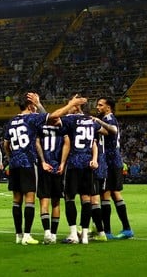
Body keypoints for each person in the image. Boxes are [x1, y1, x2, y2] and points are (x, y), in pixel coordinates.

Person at [4, 92, 87, 245]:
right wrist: (70, 105)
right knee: (30, 198)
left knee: (16, 200)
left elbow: (6, 145)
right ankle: (27, 236)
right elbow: (55, 116)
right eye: (34, 106)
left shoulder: (11, 121)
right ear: (30, 106)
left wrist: (11, 158)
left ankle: (18, 235)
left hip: (15, 163)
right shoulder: (31, 118)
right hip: (29, 163)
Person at [59, 100, 100, 244]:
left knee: (69, 198)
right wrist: (95, 159)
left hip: (74, 163)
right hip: (88, 164)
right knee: (86, 199)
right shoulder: (92, 121)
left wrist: (69, 105)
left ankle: (73, 234)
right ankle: (84, 235)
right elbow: (94, 142)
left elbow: (54, 117)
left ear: (76, 107)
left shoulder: (71, 120)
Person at [96, 97, 134, 239]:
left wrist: (98, 122)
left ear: (108, 107)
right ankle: (127, 228)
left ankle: (107, 231)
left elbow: (113, 130)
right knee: (115, 194)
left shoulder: (109, 119)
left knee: (105, 194)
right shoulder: (109, 118)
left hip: (110, 162)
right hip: (115, 161)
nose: (97, 107)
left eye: (100, 105)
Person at [37, 119, 65, 244]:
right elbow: (67, 144)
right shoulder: (62, 129)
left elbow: (37, 143)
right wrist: (63, 163)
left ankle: (47, 232)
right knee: (56, 203)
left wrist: (42, 161)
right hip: (57, 167)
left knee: (44, 202)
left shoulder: (40, 128)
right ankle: (53, 234)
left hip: (44, 168)